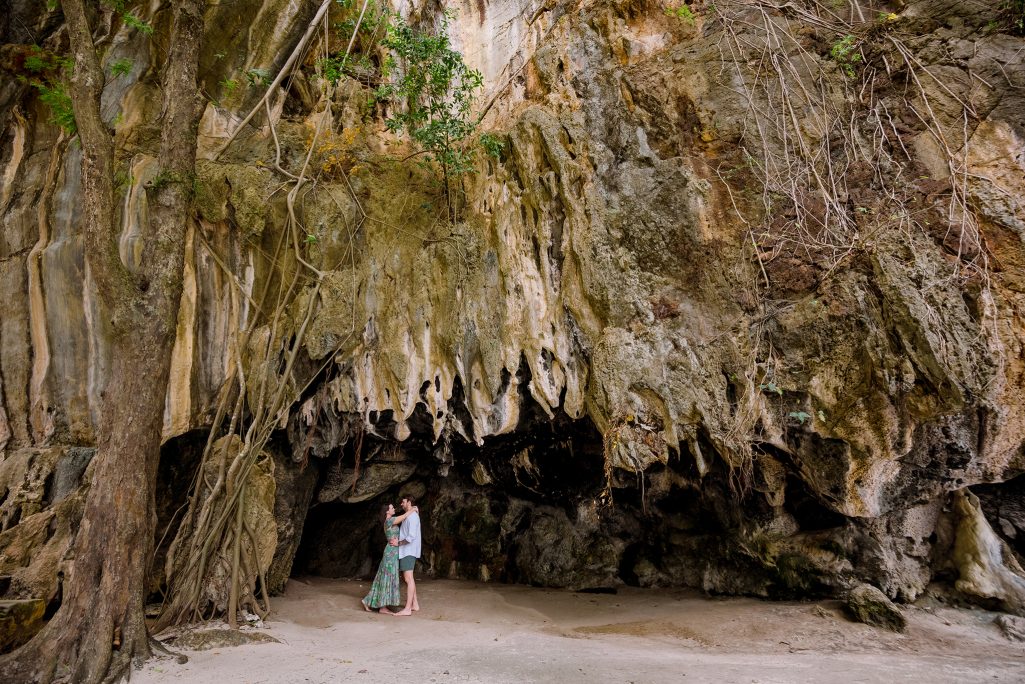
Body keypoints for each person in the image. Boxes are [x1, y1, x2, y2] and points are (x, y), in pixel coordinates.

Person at [361, 502, 417, 613]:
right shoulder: (390, 520)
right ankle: (374, 603)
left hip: (393, 552)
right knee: (386, 578)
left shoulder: (389, 521)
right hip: (391, 553)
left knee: (385, 578)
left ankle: (381, 606)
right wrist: (413, 509)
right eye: (392, 508)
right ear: (387, 511)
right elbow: (405, 516)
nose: (394, 508)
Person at [392, 495, 421, 616]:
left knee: (408, 579)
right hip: (406, 551)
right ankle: (414, 604)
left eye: (403, 502)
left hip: (408, 551)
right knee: (408, 578)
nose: (401, 504)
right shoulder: (409, 515)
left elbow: (410, 537)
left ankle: (408, 609)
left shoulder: (412, 517)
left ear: (409, 502)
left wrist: (398, 543)